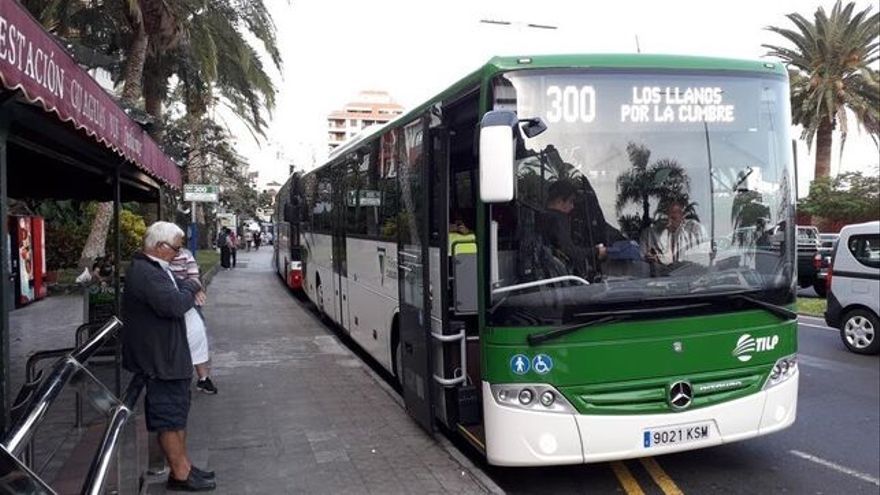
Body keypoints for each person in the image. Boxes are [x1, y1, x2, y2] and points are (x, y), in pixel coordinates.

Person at [121, 221, 216, 491]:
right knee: (168, 417)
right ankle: (180, 473)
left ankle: (183, 465)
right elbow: (174, 304)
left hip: (169, 357)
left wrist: (186, 287)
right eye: (175, 249)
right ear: (160, 247)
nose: (178, 254)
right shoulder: (147, 273)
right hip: (161, 360)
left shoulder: (153, 270)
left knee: (177, 415)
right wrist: (190, 287)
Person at [169, 245, 218, 395]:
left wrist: (192, 289)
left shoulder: (185, 255)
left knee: (198, 335)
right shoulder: (155, 264)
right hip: (171, 304)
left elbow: (194, 278)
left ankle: (203, 378)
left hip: (188, 302)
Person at [539, 179, 607, 278]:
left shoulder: (542, 217)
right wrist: (596, 251)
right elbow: (569, 251)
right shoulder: (557, 219)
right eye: (571, 201)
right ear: (559, 201)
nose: (572, 207)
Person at [643, 198, 706, 267]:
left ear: (681, 217)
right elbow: (641, 262)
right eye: (666, 218)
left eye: (673, 218)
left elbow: (702, 259)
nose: (669, 222)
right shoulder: (649, 234)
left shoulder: (694, 231)